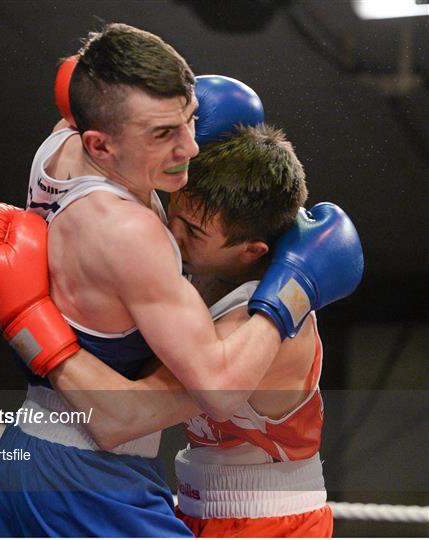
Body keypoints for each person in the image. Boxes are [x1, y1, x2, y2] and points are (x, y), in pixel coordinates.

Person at [0, 23, 362, 538]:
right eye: (163, 134)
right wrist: (297, 284)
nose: (190, 148)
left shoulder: (60, 144)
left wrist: (28, 327)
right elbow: (131, 415)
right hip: (89, 470)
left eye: (189, 121)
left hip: (55, 457)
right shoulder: (132, 234)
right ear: (101, 144)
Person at [43, 124, 335, 537]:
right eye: (174, 214)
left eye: (194, 233)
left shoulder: (259, 326)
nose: (171, 237)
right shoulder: (198, 269)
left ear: (252, 250)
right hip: (193, 503)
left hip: (271, 522)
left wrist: (27, 322)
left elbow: (117, 418)